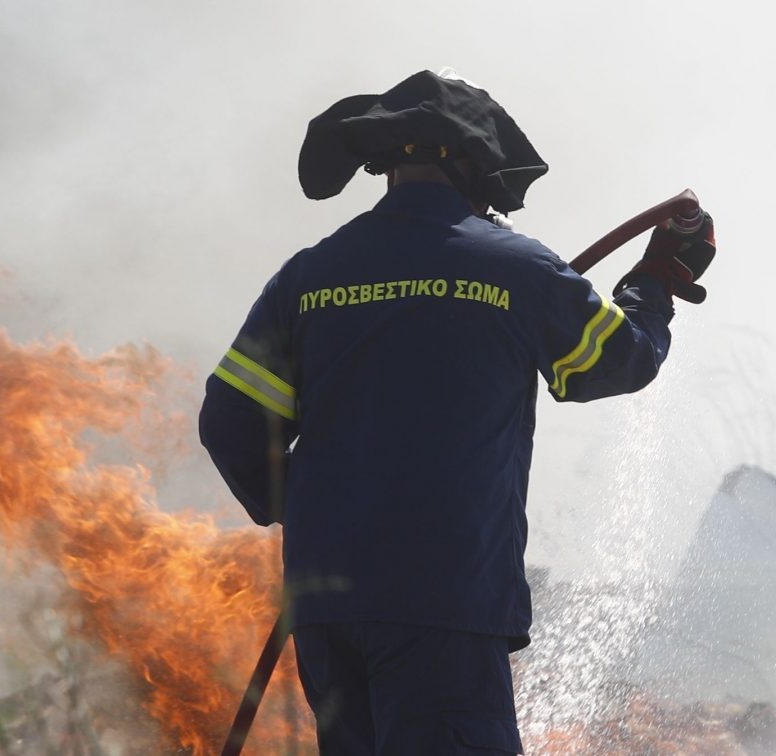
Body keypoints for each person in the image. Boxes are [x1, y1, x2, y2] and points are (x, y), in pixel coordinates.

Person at [199, 70, 715, 755]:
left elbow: (230, 422)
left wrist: (315, 507)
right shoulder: (516, 270)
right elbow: (621, 360)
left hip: (328, 605)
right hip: (443, 598)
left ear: (388, 165)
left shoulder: (311, 275)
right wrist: (656, 281)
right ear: (475, 166)